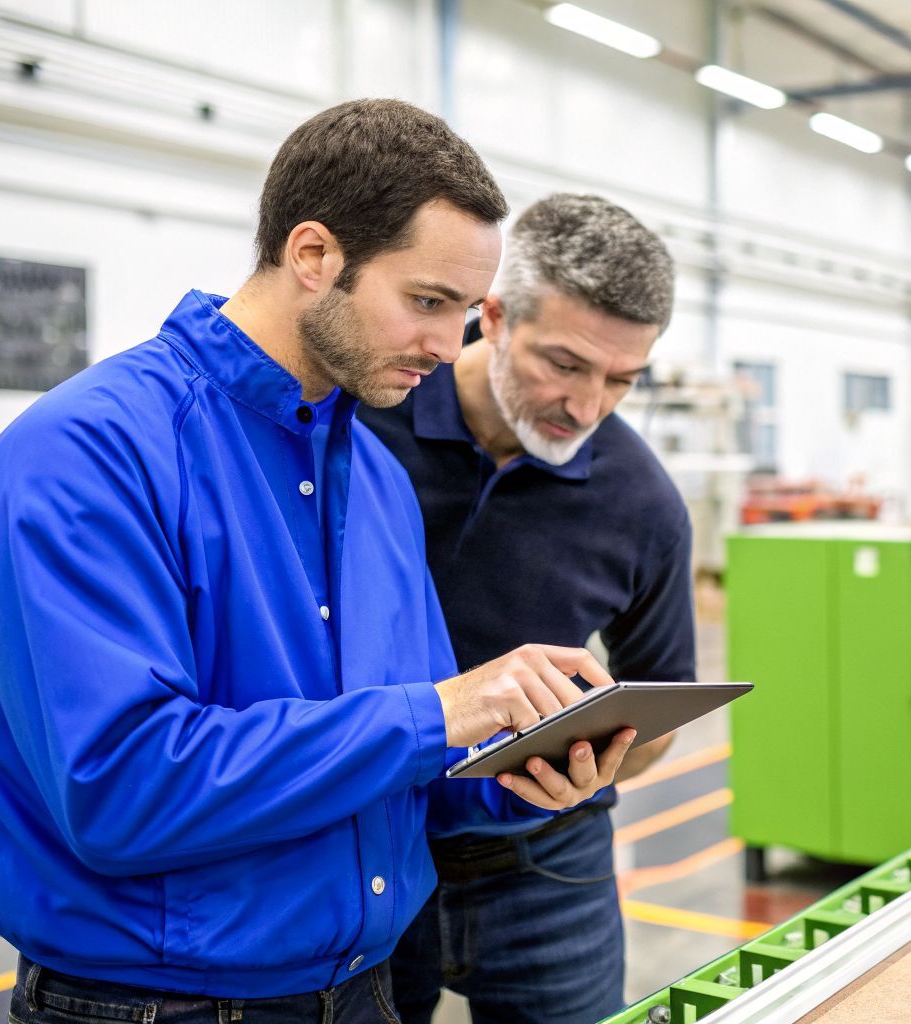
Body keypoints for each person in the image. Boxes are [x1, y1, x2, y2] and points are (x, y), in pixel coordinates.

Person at [0, 99, 633, 1023]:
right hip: (159, 1009)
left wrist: (529, 775)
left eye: (464, 312)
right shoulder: (86, 455)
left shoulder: (378, 482)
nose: (451, 347)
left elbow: (404, 770)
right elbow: (122, 789)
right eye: (427, 303)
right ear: (313, 255)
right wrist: (442, 712)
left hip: (361, 995)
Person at [360, 193, 691, 1024]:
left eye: (623, 380)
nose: (587, 407)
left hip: (549, 863)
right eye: (566, 364)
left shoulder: (642, 502)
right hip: (363, 839)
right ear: (496, 317)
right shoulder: (365, 425)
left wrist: (588, 760)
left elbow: (658, 702)